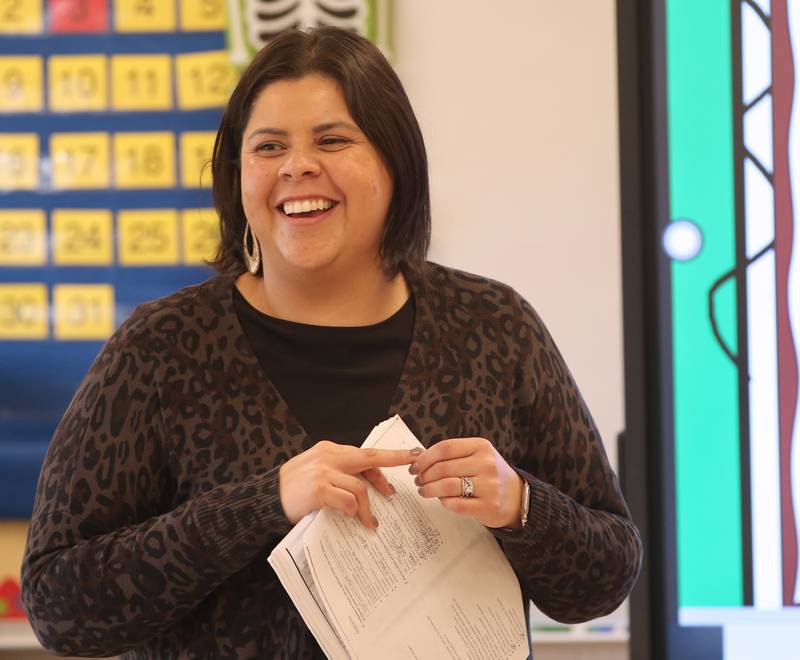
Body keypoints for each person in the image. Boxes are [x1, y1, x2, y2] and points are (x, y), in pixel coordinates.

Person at [21, 27, 642, 659]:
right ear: (239, 176)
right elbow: (59, 606)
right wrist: (263, 503)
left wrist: (520, 506)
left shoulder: (494, 326)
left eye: (332, 139)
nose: (296, 166)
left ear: (396, 161)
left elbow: (604, 580)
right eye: (268, 147)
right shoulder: (159, 350)